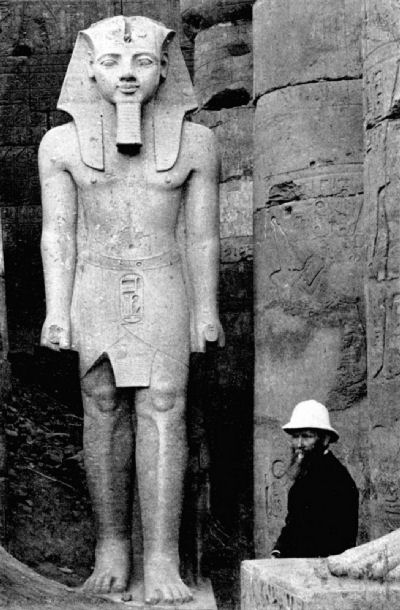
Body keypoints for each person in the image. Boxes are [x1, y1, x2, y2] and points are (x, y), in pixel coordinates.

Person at [39, 15, 224, 605]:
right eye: (112, 64)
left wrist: (207, 309)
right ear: (87, 71)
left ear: (166, 70)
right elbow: (58, 234)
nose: (126, 76)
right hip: (93, 283)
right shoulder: (61, 145)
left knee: (165, 406)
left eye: (142, 63)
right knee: (101, 407)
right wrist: (55, 310)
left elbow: (202, 239)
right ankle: (113, 547)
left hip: (166, 280)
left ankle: (164, 559)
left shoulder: (197, 143)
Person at [271, 400, 358, 559]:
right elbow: (294, 524)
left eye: (306, 437)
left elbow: (335, 541)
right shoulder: (308, 471)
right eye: (295, 436)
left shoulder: (337, 480)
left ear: (325, 439)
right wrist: (278, 551)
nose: (299, 444)